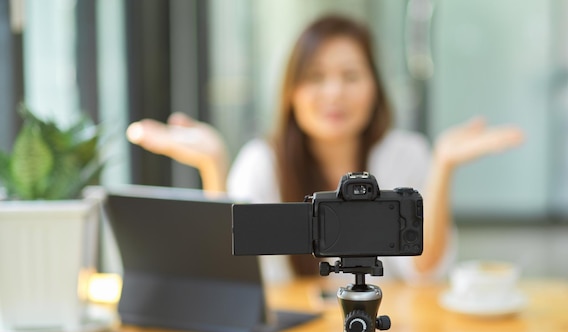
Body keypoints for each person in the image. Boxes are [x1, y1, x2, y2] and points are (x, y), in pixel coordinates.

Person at [126, 14, 524, 284]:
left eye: (351, 76)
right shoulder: (262, 162)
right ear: (292, 92)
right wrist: (212, 165)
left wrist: (442, 165)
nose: (334, 93)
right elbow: (237, 282)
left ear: (375, 89)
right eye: (316, 77)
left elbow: (426, 271)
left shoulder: (405, 154)